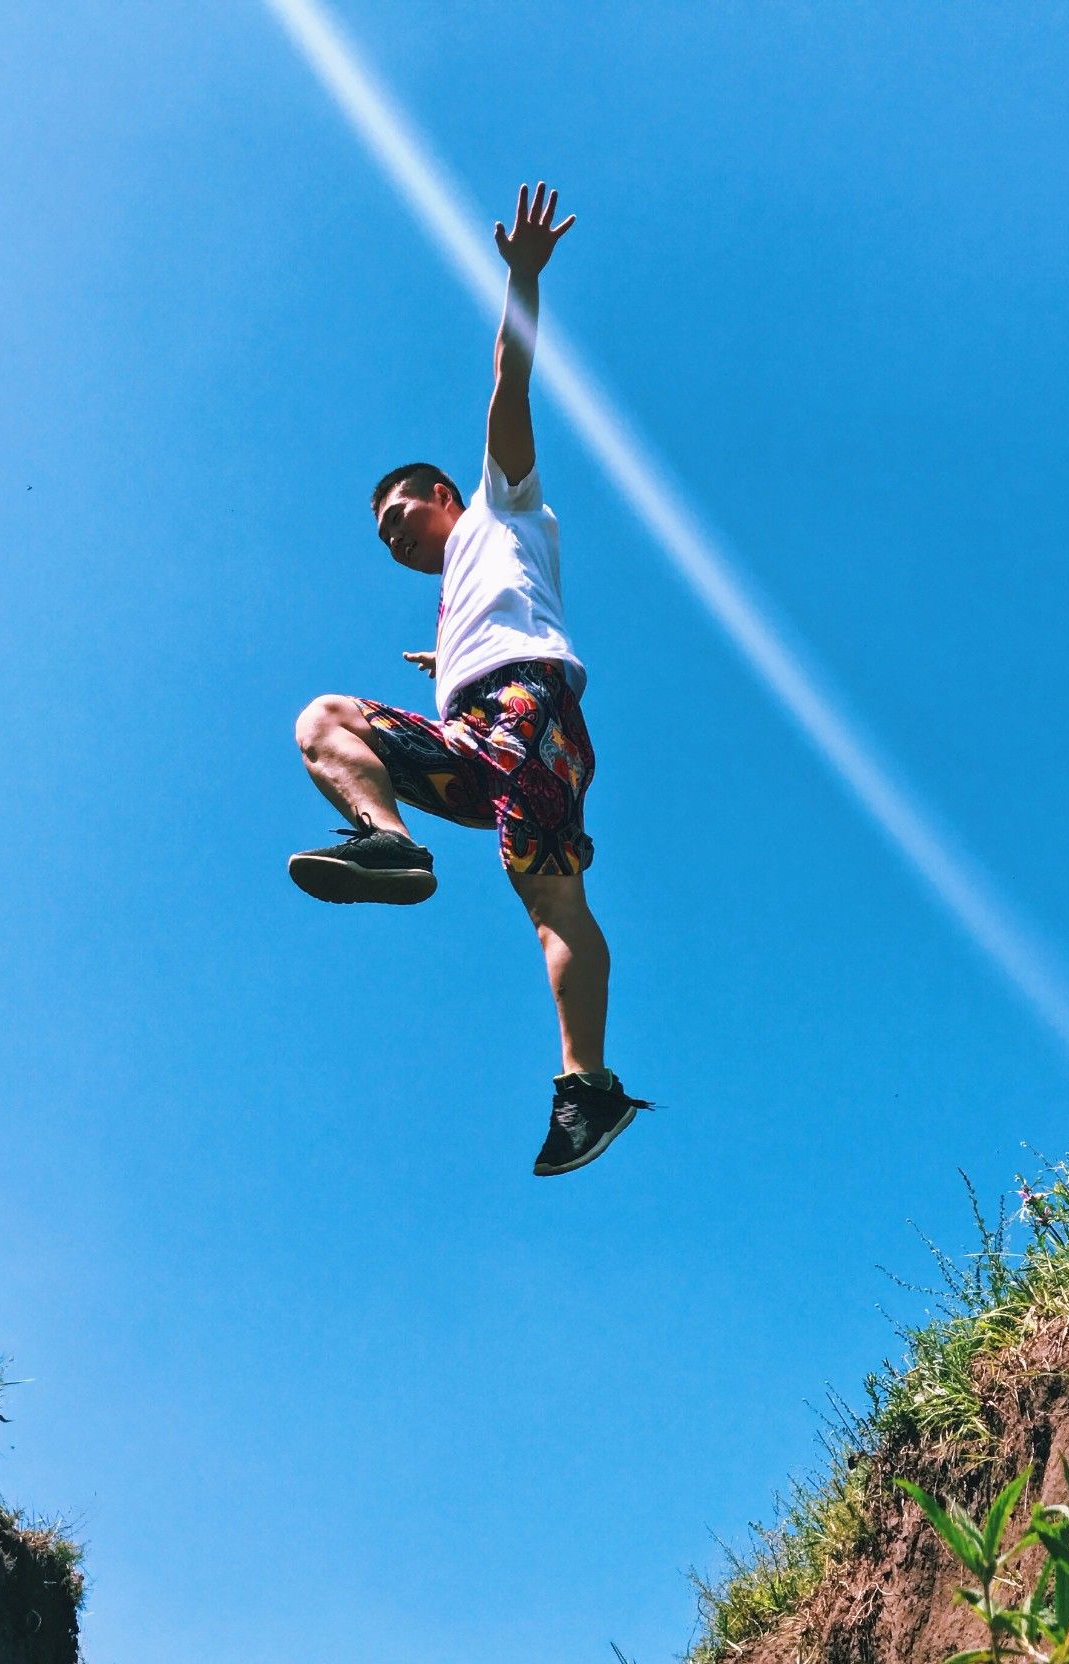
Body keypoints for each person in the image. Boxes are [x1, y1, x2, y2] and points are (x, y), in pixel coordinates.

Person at [288, 181, 650, 1177]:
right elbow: (480, 629)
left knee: (551, 905)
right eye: (381, 538)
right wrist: (444, 664)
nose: (393, 536)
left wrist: (521, 279)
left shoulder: (503, 505)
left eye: (400, 515)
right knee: (324, 719)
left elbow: (509, 380)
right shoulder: (457, 595)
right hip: (470, 736)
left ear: (441, 492)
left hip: (530, 714)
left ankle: (587, 1089)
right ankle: (389, 848)